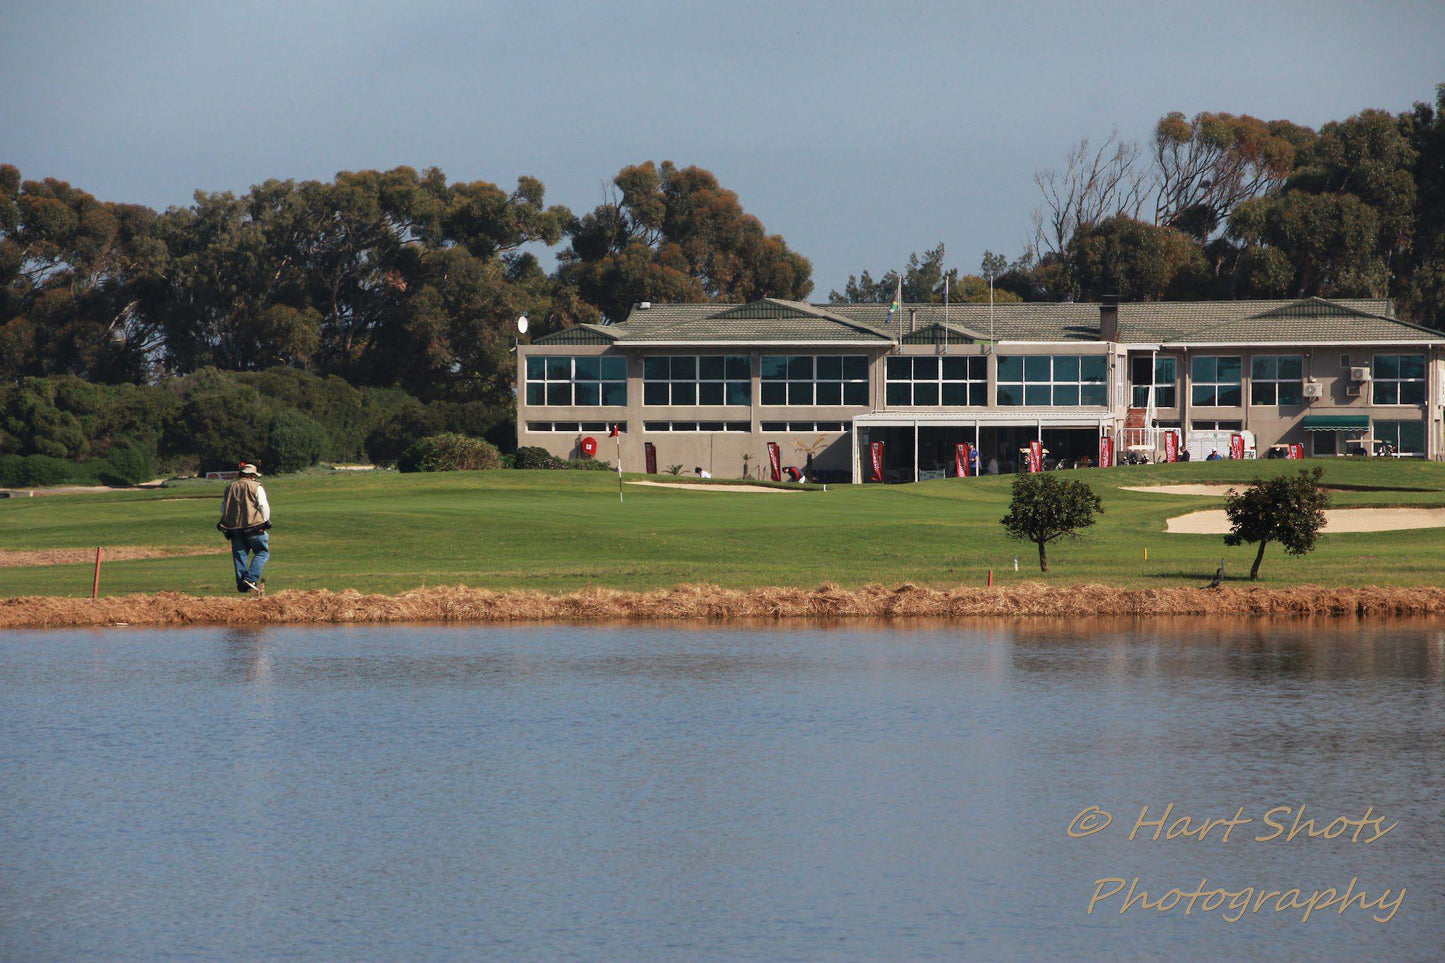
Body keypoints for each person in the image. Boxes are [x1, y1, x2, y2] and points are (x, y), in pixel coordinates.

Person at [218, 462, 271, 595]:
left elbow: (223, 509)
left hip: (235, 529)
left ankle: (242, 586)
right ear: (252, 475)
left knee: (239, 557)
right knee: (262, 552)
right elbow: (263, 505)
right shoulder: (256, 486)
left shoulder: (230, 488)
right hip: (255, 527)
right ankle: (251, 579)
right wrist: (265, 521)